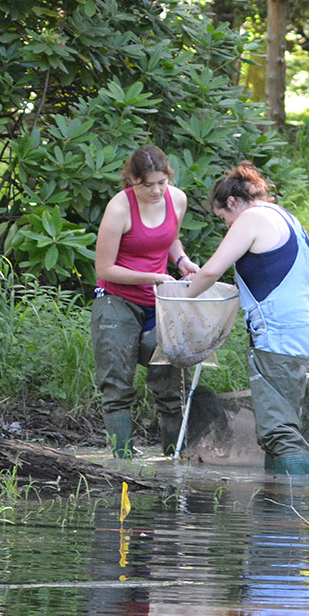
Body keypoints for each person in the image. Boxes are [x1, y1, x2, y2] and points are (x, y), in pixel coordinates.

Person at [183, 162, 309, 476]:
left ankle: (291, 509)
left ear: (232, 202)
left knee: (278, 430)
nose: (227, 225)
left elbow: (209, 270)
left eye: (223, 218)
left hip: (279, 332)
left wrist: (181, 300)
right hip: (306, 328)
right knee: (282, 421)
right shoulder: (289, 219)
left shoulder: (250, 218)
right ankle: (277, 502)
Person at [92, 145, 200, 458]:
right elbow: (104, 268)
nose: (155, 191)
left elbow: (170, 239)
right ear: (132, 181)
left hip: (160, 298)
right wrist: (151, 277)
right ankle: (122, 461)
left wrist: (181, 261)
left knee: (169, 379)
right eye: (146, 185)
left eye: (161, 183)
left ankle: (172, 457)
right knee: (117, 381)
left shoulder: (177, 199)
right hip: (117, 298)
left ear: (169, 178)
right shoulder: (119, 208)